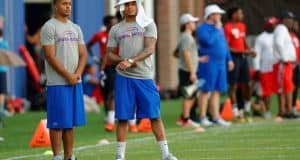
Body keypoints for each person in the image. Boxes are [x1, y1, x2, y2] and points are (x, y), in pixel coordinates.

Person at [106, 0, 177, 159]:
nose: (130, 7)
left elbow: (150, 49)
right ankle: (120, 156)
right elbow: (109, 54)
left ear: (138, 5)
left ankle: (166, 154)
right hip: (124, 78)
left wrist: (131, 61)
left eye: (133, 3)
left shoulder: (148, 24)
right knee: (123, 118)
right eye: (127, 4)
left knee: (155, 116)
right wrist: (121, 60)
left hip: (145, 77)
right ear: (122, 8)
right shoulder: (115, 29)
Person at [40, 0, 87, 159]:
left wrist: (77, 74)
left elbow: (83, 54)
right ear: (56, 6)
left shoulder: (76, 28)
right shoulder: (49, 27)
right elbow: (49, 56)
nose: (68, 6)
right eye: (64, 3)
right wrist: (68, 75)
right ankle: (57, 156)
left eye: (70, 4)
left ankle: (69, 156)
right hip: (58, 83)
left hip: (75, 81)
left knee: (69, 124)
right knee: (57, 123)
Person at [196, 4, 234, 127]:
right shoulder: (202, 28)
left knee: (217, 90)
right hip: (209, 63)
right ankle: (202, 116)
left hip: (221, 63)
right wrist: (217, 30)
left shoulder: (219, 28)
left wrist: (229, 59)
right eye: (217, 14)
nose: (220, 16)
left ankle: (216, 117)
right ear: (211, 15)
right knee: (206, 90)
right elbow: (207, 42)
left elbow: (224, 44)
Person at [175, 13, 206, 130]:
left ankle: (184, 118)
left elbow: (179, 53)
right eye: (193, 22)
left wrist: (198, 58)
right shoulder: (187, 37)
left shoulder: (186, 36)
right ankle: (185, 119)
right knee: (188, 95)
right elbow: (185, 53)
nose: (195, 24)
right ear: (187, 24)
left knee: (191, 95)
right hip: (188, 71)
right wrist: (192, 72)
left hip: (188, 70)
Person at [224, 7, 256, 119]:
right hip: (233, 58)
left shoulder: (242, 26)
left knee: (247, 83)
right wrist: (243, 51)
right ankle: (235, 110)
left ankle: (246, 107)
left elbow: (243, 41)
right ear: (233, 15)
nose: (242, 15)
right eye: (240, 13)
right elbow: (227, 46)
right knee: (233, 84)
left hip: (243, 58)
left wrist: (249, 50)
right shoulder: (227, 27)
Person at [253, 17, 279, 119]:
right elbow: (257, 54)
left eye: (275, 24)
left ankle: (282, 110)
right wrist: (257, 68)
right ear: (267, 25)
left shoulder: (278, 36)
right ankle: (266, 111)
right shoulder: (261, 38)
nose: (274, 26)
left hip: (276, 68)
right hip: (265, 68)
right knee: (266, 92)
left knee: (278, 90)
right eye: (272, 24)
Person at [273, 11, 297, 120]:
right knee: (283, 87)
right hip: (283, 63)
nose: (291, 21)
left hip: (287, 63)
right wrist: (284, 58)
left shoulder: (284, 30)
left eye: (292, 19)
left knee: (288, 86)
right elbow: (278, 43)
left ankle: (288, 110)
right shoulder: (281, 28)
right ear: (283, 20)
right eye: (289, 19)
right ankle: (283, 111)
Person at [290, 18, 300, 115]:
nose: (297, 27)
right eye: (296, 24)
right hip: (291, 64)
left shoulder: (295, 36)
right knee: (291, 87)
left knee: (296, 87)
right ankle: (289, 108)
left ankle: (293, 107)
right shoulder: (288, 36)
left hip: (297, 64)